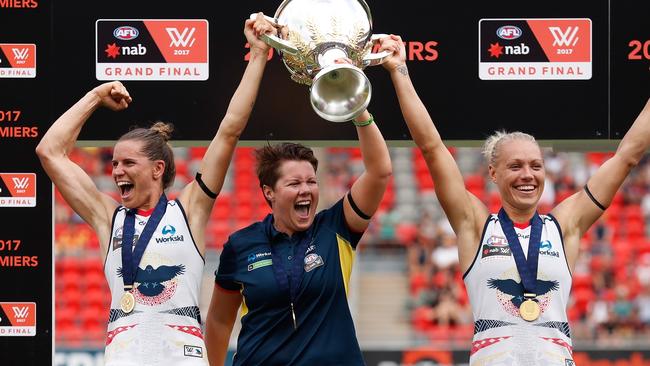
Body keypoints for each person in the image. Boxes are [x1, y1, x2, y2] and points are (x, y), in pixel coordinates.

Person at [382, 33, 650, 365]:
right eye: (515, 166)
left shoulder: (565, 225)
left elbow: (627, 156)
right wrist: (399, 72)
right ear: (493, 173)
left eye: (536, 165)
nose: (528, 174)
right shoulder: (476, 224)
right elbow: (432, 148)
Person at [36, 14, 276, 366]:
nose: (117, 171)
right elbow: (49, 151)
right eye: (114, 164)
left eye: (128, 163)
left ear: (157, 169)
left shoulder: (189, 209)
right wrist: (96, 95)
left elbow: (229, 130)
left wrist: (257, 55)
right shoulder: (108, 218)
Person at [204, 38, 398, 366]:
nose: (306, 189)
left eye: (311, 181)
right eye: (294, 183)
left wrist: (357, 107)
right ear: (269, 192)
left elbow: (379, 171)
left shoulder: (336, 227)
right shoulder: (241, 244)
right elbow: (220, 321)